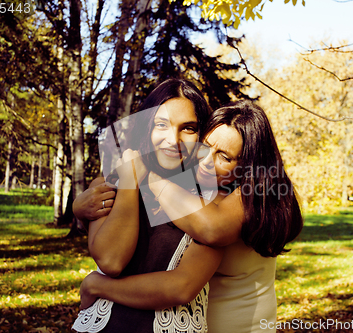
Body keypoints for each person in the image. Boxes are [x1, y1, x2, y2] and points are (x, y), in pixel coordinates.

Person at [75, 100, 304, 333]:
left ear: (247, 167)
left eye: (224, 157)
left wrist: (148, 178)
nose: (206, 161)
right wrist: (83, 210)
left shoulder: (247, 195)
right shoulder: (203, 187)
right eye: (205, 146)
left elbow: (209, 233)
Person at [72, 78, 220, 333]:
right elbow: (111, 260)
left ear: (201, 134)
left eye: (188, 128)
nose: (172, 139)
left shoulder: (212, 198)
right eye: (161, 124)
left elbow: (182, 288)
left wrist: (95, 286)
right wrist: (130, 180)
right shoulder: (111, 183)